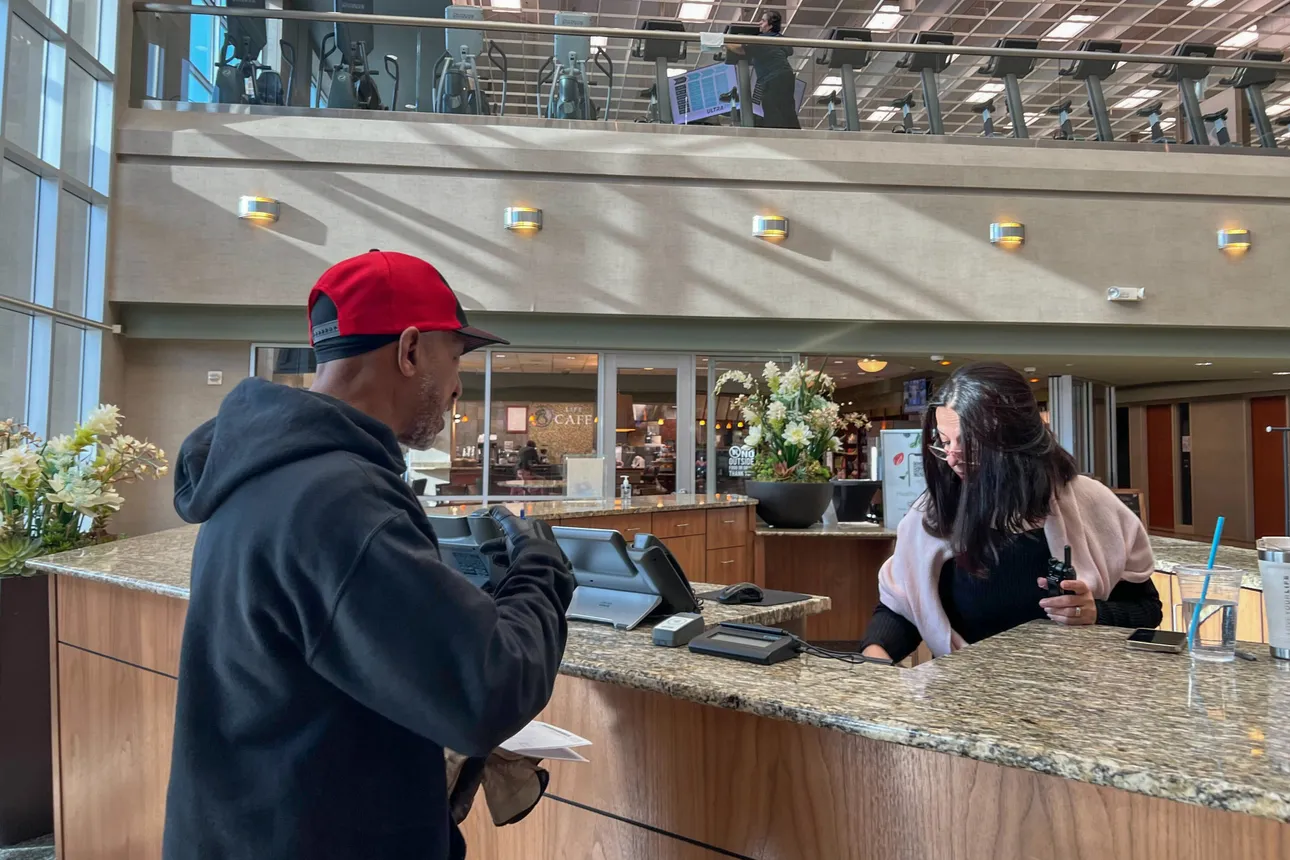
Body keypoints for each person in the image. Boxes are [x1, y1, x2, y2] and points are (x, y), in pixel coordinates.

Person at [164, 250, 576, 860]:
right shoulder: (342, 502)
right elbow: (488, 690)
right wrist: (540, 568)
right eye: (456, 356)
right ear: (410, 351)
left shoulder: (254, 475)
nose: (460, 386)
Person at [861, 362, 1160, 663]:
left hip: (1073, 693)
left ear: (1015, 438)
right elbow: (902, 609)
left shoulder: (1089, 502)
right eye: (945, 441)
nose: (952, 458)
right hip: (964, 691)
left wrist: (1096, 612)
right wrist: (874, 659)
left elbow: (1147, 608)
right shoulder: (933, 516)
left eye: (970, 443)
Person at [728, 11, 800, 130]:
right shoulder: (779, 39)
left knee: (772, 110)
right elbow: (789, 50)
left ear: (770, 25)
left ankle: (774, 138)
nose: (759, 23)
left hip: (772, 79)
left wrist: (724, 40)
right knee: (787, 110)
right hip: (786, 76)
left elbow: (740, 50)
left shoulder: (763, 39)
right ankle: (796, 136)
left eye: (763, 20)